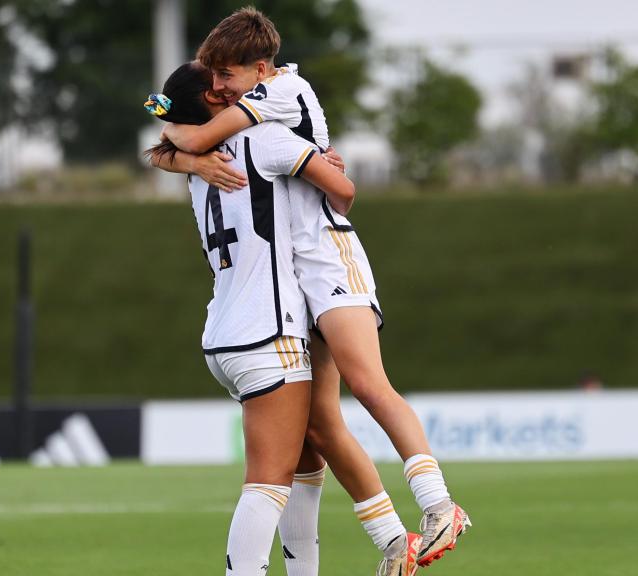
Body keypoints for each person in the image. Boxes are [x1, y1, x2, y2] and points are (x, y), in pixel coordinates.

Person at [159, 7, 471, 569]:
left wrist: (178, 153)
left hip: (291, 284)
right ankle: (399, 538)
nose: (223, 86)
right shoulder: (263, 141)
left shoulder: (239, 133)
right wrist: (323, 172)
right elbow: (344, 189)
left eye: (227, 75)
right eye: (216, 81)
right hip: (276, 313)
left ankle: (433, 508)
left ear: (255, 70)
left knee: (343, 408)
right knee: (291, 459)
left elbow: (175, 141)